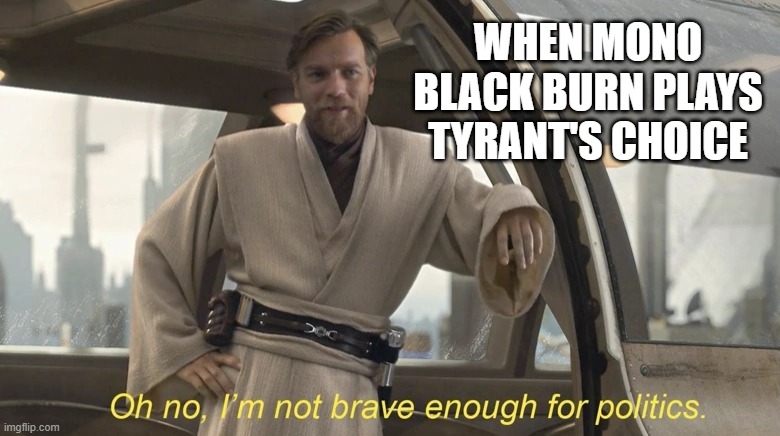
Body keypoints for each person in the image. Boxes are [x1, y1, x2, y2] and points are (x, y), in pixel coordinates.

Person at [127, 11, 555, 435]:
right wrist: (181, 350)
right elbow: (157, 247)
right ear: (297, 83)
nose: (336, 88)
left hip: (348, 395)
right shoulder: (240, 158)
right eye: (318, 74)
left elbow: (490, 219)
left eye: (350, 72)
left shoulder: (425, 167)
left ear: (370, 79)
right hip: (252, 384)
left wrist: (514, 206)